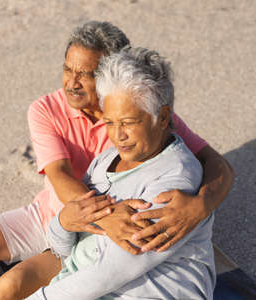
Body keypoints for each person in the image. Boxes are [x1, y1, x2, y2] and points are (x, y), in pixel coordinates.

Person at [0, 21, 233, 300]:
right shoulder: (48, 110)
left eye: (85, 73)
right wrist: (99, 217)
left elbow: (213, 164)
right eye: (67, 69)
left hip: (103, 233)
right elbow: (59, 177)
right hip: (63, 214)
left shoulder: (140, 110)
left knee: (14, 284)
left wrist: (202, 204)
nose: (71, 83)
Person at [26, 46, 215, 300]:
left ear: (162, 117)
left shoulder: (176, 179)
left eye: (128, 123)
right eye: (110, 123)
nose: (118, 135)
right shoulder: (105, 161)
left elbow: (111, 271)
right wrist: (64, 222)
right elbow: (62, 249)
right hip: (84, 284)